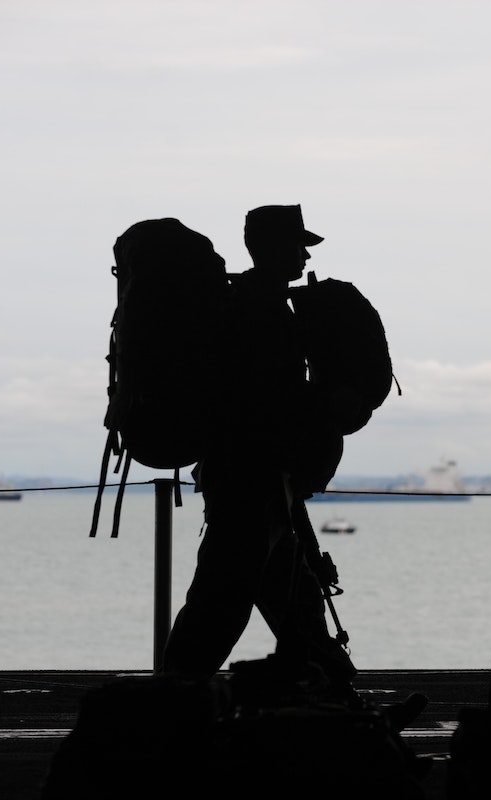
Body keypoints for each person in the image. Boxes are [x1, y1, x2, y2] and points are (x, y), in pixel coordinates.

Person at [160, 205, 358, 698]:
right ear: (272, 247)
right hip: (252, 480)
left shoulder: (256, 303)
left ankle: (343, 702)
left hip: (261, 482)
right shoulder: (258, 310)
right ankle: (169, 706)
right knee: (221, 603)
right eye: (298, 243)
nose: (305, 253)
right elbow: (265, 400)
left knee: (297, 602)